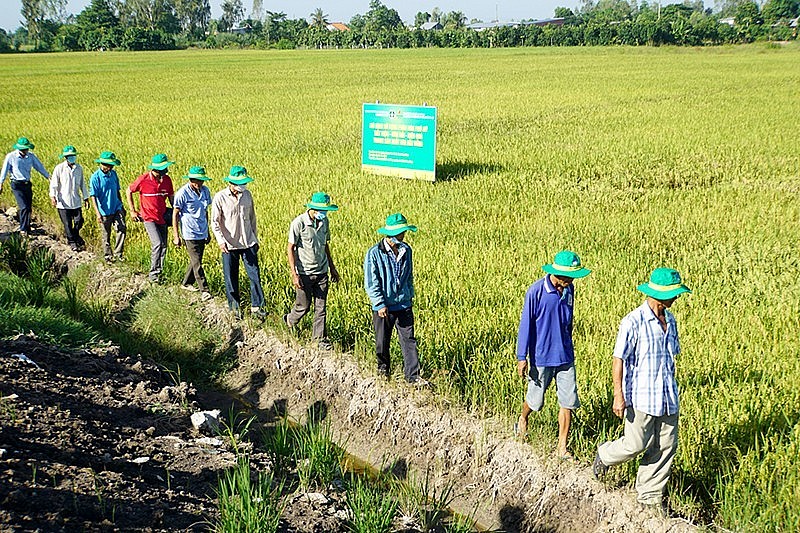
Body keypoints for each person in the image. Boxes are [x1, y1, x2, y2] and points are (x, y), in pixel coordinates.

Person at [593, 268, 691, 512]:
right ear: (659, 294)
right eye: (673, 294)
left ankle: (649, 498)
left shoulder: (671, 320)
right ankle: (605, 455)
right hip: (641, 397)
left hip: (667, 396)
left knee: (665, 447)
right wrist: (619, 395)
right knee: (636, 444)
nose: (677, 298)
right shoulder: (633, 322)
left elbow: (671, 359)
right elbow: (619, 360)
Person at [514, 250, 591, 460]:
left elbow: (569, 321)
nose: (572, 280)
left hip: (565, 356)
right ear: (558, 274)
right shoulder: (536, 292)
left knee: (568, 402)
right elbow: (525, 326)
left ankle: (561, 447)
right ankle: (522, 419)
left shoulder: (569, 290)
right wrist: (522, 357)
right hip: (541, 356)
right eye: (570, 276)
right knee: (535, 401)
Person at [363, 213, 425, 384]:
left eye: (403, 232)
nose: (403, 236)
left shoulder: (407, 250)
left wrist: (409, 294)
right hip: (384, 307)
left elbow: (409, 275)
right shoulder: (374, 253)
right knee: (382, 341)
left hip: (403, 303)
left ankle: (413, 376)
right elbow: (371, 281)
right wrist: (379, 303)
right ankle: (383, 372)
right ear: (390, 234)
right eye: (399, 233)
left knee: (409, 340)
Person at [285, 191, 340, 351]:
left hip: (322, 271)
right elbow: (290, 248)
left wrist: (332, 268)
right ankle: (289, 320)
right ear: (313, 209)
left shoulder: (325, 222)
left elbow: (325, 245)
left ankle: (319, 340)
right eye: (322, 211)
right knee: (304, 305)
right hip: (305, 272)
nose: (324, 214)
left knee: (321, 307)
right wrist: (294, 274)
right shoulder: (299, 223)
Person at [211, 166, 266, 320]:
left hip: (248, 242)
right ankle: (234, 308)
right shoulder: (220, 197)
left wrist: (255, 238)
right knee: (231, 276)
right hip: (229, 244)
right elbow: (215, 222)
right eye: (239, 183)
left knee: (254, 275)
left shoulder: (247, 195)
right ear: (231, 183)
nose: (242, 186)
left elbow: (252, 218)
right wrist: (221, 241)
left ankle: (258, 307)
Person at [127, 154, 175, 283]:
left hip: (162, 216)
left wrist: (176, 210)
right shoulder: (143, 180)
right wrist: (132, 211)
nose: (166, 170)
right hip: (148, 217)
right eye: (163, 168)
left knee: (164, 245)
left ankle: (159, 272)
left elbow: (171, 197)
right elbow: (129, 191)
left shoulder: (167, 180)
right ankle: (153, 274)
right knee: (157, 243)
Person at [172, 166, 213, 301]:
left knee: (196, 260)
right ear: (191, 180)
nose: (199, 183)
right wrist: (176, 235)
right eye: (197, 180)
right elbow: (176, 213)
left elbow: (206, 211)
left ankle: (186, 283)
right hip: (189, 232)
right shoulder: (182, 193)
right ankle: (204, 290)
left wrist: (208, 230)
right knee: (197, 262)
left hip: (202, 230)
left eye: (201, 180)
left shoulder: (205, 191)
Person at [0, 137, 51, 236]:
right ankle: (23, 229)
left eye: (26, 149)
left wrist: (48, 176)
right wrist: (0, 183)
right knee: (23, 206)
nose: (25, 151)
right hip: (16, 184)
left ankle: (27, 227)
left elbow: (39, 167)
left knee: (28, 207)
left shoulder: (31, 156)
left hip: (27, 184)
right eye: (23, 149)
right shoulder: (11, 157)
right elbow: (4, 171)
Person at [49, 145, 88, 251]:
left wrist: (86, 197)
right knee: (67, 223)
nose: (72, 158)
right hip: (63, 202)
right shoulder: (59, 168)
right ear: (66, 157)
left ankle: (75, 235)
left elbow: (82, 184)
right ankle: (72, 242)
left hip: (76, 201)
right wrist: (53, 197)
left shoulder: (79, 168)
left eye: (73, 156)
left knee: (79, 221)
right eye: (70, 156)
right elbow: (54, 184)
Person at [89, 151, 126, 262]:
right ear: (101, 164)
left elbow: (117, 191)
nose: (108, 167)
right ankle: (107, 255)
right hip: (104, 210)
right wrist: (97, 213)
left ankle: (118, 254)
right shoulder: (95, 177)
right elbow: (93, 196)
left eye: (110, 165)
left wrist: (122, 205)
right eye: (106, 165)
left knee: (121, 228)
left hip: (116, 207)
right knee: (106, 233)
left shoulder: (114, 174)